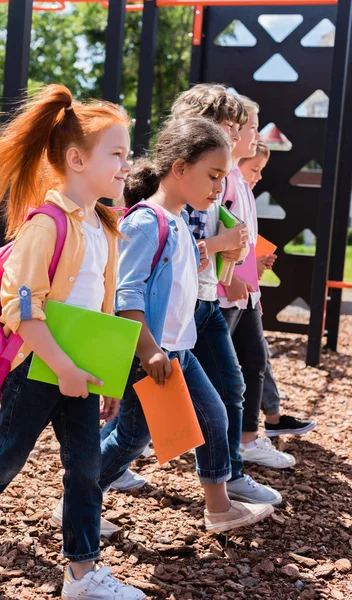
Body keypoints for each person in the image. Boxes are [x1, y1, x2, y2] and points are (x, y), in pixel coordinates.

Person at [0, 84, 145, 600]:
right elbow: (22, 311)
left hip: (78, 372)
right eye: (118, 154)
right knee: (5, 461)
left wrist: (108, 376)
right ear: (77, 159)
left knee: (85, 469)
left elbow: (101, 314)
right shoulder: (46, 225)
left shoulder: (104, 227)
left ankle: (82, 576)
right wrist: (63, 367)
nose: (128, 165)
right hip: (36, 371)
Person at [96, 116, 274, 533]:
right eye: (212, 176)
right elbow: (128, 295)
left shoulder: (178, 221)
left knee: (213, 417)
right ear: (178, 168)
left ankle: (219, 507)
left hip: (177, 350)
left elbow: (177, 279)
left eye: (222, 177)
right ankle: (77, 500)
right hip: (153, 354)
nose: (218, 188)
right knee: (131, 437)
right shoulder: (146, 222)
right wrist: (149, 350)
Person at [169, 85, 284, 503]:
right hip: (184, 308)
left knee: (229, 385)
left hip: (206, 303)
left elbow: (215, 239)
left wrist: (235, 258)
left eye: (241, 127)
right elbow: (181, 248)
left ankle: (227, 478)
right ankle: (97, 478)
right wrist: (227, 260)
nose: (238, 135)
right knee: (142, 417)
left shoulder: (221, 178)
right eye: (231, 125)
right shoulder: (187, 182)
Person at [215, 96, 296, 468]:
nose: (253, 133)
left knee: (253, 363)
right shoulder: (225, 180)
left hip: (243, 293)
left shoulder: (240, 184)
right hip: (224, 293)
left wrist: (252, 287)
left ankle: (245, 442)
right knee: (219, 377)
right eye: (249, 127)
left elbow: (241, 239)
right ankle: (136, 435)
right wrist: (232, 278)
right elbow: (214, 234)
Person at [238, 141, 316, 437]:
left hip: (244, 293)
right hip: (230, 295)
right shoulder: (230, 190)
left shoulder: (244, 192)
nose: (258, 176)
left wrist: (254, 281)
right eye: (254, 169)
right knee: (250, 362)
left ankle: (268, 420)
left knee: (257, 358)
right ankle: (256, 428)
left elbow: (243, 248)